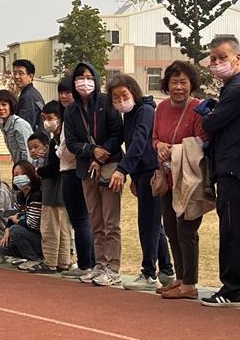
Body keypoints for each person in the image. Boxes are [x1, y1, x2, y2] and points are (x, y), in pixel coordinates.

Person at [198, 35, 240, 306]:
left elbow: (210, 125)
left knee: (232, 228)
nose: (217, 63)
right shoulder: (239, 87)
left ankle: (232, 288)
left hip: (234, 167)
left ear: (238, 58)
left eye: (222, 58)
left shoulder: (239, 87)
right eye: (213, 59)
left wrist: (208, 115)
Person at [106, 74, 174, 290]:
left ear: (133, 92)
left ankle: (148, 273)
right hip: (141, 173)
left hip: (152, 172)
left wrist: (123, 170)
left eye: (124, 95)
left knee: (148, 223)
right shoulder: (129, 115)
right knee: (154, 223)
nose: (120, 101)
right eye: (115, 98)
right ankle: (166, 270)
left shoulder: (145, 111)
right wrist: (134, 176)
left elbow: (139, 141)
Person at [64, 62, 125, 286]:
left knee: (111, 221)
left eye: (89, 77)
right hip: (86, 168)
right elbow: (71, 142)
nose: (85, 82)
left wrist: (101, 155)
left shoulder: (106, 102)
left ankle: (113, 268)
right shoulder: (71, 110)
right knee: (95, 220)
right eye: (80, 77)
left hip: (109, 165)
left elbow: (118, 134)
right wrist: (91, 152)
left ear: (96, 80)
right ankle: (99, 265)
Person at [153, 61, 210, 300]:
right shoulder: (161, 108)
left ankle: (190, 283)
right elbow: (154, 137)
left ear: (191, 84)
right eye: (174, 82)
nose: (178, 87)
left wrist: (174, 150)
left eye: (183, 82)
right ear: (167, 85)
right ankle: (180, 277)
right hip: (167, 179)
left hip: (189, 180)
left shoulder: (197, 108)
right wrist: (159, 145)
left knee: (187, 230)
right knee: (171, 229)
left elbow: (202, 142)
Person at [54, 93, 95, 279]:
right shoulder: (73, 115)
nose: (64, 96)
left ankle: (86, 264)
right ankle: (91, 262)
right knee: (84, 220)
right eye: (61, 92)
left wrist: (57, 151)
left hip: (73, 171)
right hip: (76, 170)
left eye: (68, 92)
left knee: (80, 220)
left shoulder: (76, 116)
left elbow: (68, 150)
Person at [29, 130, 71, 274]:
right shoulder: (63, 141)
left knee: (49, 231)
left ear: (46, 146)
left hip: (52, 197)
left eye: (36, 147)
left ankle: (50, 262)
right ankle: (63, 261)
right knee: (63, 231)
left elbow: (53, 169)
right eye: (30, 148)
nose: (33, 151)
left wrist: (39, 170)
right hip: (63, 196)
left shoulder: (55, 143)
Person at [1, 160, 44, 267]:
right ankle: (26, 256)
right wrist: (7, 229)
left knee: (15, 230)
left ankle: (34, 259)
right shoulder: (21, 195)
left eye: (24, 174)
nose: (19, 177)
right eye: (16, 174)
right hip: (28, 233)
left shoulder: (37, 195)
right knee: (3, 247)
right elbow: (11, 213)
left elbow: (33, 224)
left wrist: (16, 221)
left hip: (39, 237)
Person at [0, 89, 33, 164]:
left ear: (11, 106)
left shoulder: (19, 124)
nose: (1, 108)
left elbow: (27, 153)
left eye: (4, 104)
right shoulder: (4, 125)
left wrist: (23, 170)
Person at [13, 59, 45, 134]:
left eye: (21, 73)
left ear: (30, 76)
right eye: (14, 73)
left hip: (34, 139)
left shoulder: (28, 97)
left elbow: (23, 128)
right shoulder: (34, 93)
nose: (16, 76)